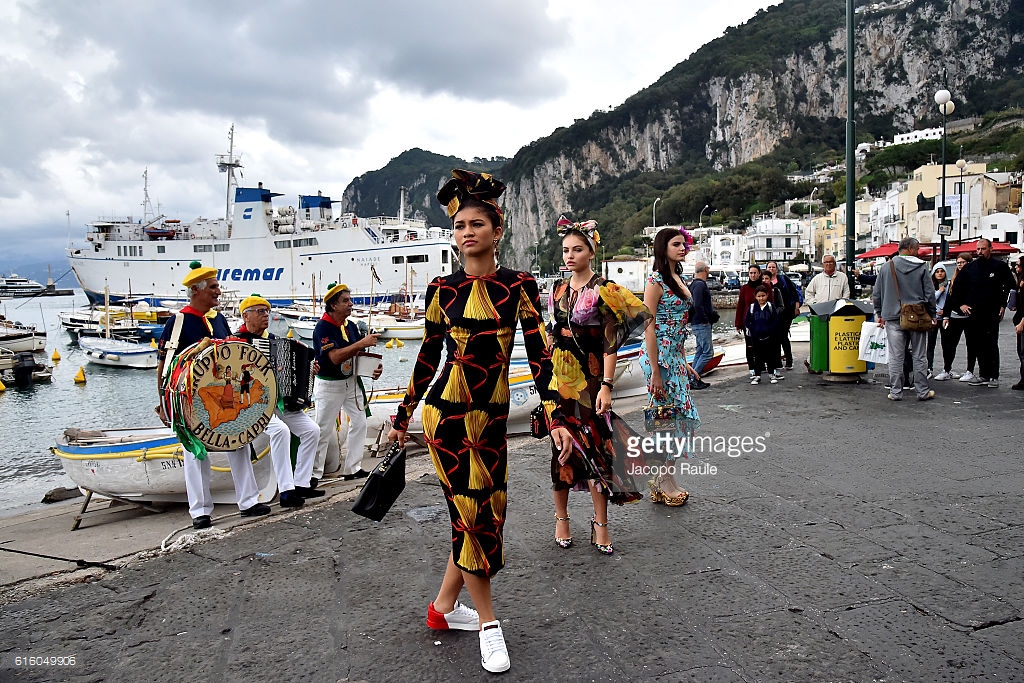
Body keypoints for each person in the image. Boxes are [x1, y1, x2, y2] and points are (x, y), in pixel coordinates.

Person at [386, 169, 573, 674]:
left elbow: (540, 356)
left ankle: (442, 610)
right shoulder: (440, 289)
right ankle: (490, 624)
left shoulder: (520, 286)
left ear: (498, 228)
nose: (466, 232)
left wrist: (555, 414)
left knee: (485, 514)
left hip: (490, 416)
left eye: (476, 223)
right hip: (445, 417)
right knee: (471, 515)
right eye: (459, 225)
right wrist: (401, 417)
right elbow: (426, 359)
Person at [547, 216, 653, 556]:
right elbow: (552, 333)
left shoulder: (604, 290)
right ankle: (561, 517)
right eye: (565, 250)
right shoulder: (558, 289)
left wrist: (607, 385)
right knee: (561, 450)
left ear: (591, 252)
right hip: (561, 381)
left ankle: (601, 521)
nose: (569, 256)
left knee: (596, 451)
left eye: (577, 249)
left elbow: (611, 344)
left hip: (591, 380)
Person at [155, 262, 271, 530]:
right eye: (214, 287)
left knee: (239, 441)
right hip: (190, 401)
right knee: (195, 453)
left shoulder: (218, 320)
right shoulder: (179, 321)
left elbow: (234, 354)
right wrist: (163, 403)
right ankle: (200, 511)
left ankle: (248, 502)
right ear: (197, 290)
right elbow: (164, 364)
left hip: (226, 393)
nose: (219, 291)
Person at [234, 294, 323, 507]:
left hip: (279, 401)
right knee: (280, 430)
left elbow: (292, 372)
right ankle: (286, 490)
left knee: (312, 430)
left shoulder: (275, 340)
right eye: (260, 311)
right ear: (246, 316)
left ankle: (301, 483)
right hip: (252, 403)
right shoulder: (237, 342)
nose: (266, 315)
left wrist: (309, 370)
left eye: (267, 311)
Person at [641, 227, 701, 507]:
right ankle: (663, 481)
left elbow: (679, 327)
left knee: (679, 419)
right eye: (676, 244)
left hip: (675, 357)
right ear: (662, 248)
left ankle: (664, 478)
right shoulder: (655, 281)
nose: (683, 248)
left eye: (683, 244)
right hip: (659, 358)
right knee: (664, 420)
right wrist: (655, 370)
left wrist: (685, 362)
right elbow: (649, 327)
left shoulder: (678, 278)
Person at [311, 283, 382, 486]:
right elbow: (334, 357)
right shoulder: (323, 328)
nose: (351, 304)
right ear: (333, 305)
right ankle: (314, 473)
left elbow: (359, 355)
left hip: (350, 382)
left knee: (359, 422)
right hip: (330, 385)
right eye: (346, 301)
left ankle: (353, 467)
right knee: (323, 429)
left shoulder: (349, 326)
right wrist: (362, 343)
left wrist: (374, 369)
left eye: (350, 300)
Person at [872, 238, 936, 401]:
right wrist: (932, 313)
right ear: (910, 248)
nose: (918, 251)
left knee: (895, 356)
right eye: (917, 248)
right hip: (917, 317)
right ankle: (922, 391)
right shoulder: (922, 266)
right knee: (919, 355)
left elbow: (877, 293)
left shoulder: (887, 266)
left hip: (893, 316)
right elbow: (929, 293)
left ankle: (896, 392)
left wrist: (880, 313)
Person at [955, 239, 1016, 388]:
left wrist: (1003, 305)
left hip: (992, 311)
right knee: (977, 343)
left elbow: (1010, 287)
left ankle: (993, 376)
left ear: (990, 249)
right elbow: (957, 288)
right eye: (978, 249)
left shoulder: (1000, 267)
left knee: (991, 343)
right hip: (974, 312)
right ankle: (983, 374)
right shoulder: (970, 268)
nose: (980, 252)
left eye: (983, 249)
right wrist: (961, 304)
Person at [937, 254, 976, 381]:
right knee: (950, 344)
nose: (960, 265)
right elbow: (950, 298)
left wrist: (965, 305)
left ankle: (970, 370)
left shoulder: (973, 277)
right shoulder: (953, 279)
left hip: (969, 316)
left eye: (962, 262)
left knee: (971, 345)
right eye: (958, 262)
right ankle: (947, 369)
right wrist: (946, 316)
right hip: (954, 316)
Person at [766, 261, 801, 369]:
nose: (771, 269)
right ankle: (777, 362)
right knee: (774, 338)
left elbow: (794, 292)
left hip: (786, 313)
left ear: (776, 269)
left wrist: (796, 306)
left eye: (773, 267)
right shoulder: (765, 281)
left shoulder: (783, 279)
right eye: (769, 267)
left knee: (783, 336)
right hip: (771, 314)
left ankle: (789, 360)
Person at [687, 261, 715, 389]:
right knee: (708, 352)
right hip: (701, 322)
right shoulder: (699, 285)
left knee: (700, 350)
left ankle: (693, 377)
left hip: (697, 321)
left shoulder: (694, 284)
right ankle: (694, 378)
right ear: (705, 269)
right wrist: (705, 318)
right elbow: (697, 304)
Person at [745, 286, 782, 384]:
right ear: (755, 297)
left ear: (767, 295)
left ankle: (772, 374)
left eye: (763, 296)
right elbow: (747, 321)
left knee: (770, 356)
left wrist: (770, 330)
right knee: (757, 357)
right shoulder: (752, 307)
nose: (761, 298)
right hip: (756, 337)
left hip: (769, 337)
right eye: (759, 296)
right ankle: (757, 375)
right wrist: (753, 330)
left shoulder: (771, 306)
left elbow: (775, 320)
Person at [735, 264, 763, 373]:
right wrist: (738, 323)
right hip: (748, 322)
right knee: (750, 346)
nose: (753, 275)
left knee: (762, 346)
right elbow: (740, 306)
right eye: (751, 273)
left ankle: (762, 366)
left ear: (759, 273)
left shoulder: (765, 286)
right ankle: (752, 368)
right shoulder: (744, 288)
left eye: (755, 273)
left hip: (762, 320)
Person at [926, 265, 949, 378]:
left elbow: (950, 299)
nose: (940, 274)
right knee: (930, 344)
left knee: (946, 344)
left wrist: (945, 311)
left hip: (944, 318)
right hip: (932, 318)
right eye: (937, 272)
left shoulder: (949, 285)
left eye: (942, 271)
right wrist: (939, 291)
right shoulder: (930, 286)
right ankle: (929, 367)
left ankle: (947, 368)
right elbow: (930, 299)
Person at [1011, 256, 1024, 390]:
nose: (1016, 267)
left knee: (1023, 351)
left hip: (1022, 320)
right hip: (1019, 317)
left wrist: (1022, 322)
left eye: (1018, 265)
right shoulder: (1019, 281)